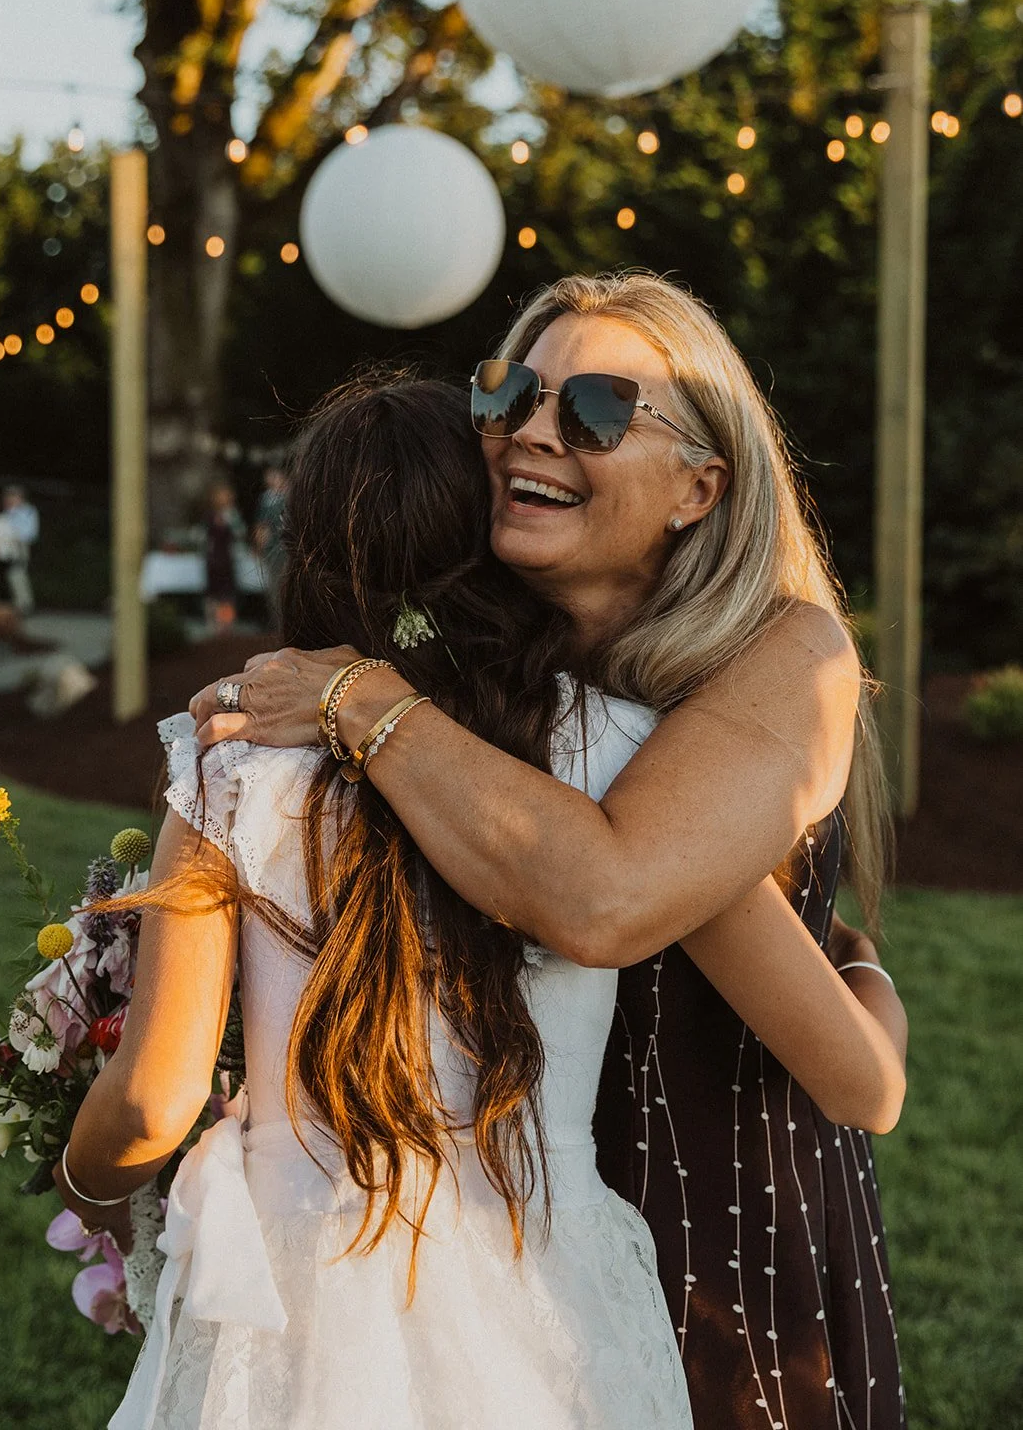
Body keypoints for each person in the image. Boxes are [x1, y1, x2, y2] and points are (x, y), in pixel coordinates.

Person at [59, 376, 902, 1430]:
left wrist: (87, 1184)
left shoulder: (232, 762)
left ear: (305, 549)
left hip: (297, 1294)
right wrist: (863, 973)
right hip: (548, 1286)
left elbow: (150, 1100)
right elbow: (845, 1058)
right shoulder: (618, 752)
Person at [203, 482, 245, 633]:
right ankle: (213, 625)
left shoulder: (232, 515)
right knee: (213, 593)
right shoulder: (211, 515)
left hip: (226, 558)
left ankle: (226, 625)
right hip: (214, 559)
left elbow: (240, 533)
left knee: (226, 594)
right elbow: (206, 536)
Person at [252, 465, 287, 612]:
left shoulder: (286, 497)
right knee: (276, 586)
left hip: (286, 548)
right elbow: (262, 527)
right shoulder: (268, 500)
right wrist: (259, 547)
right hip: (276, 549)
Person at [2, 484, 40, 615]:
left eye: (12, 496)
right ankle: (20, 604)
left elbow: (31, 533)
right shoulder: (9, 511)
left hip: (21, 546)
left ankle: (24, 605)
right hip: (8, 546)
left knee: (18, 574)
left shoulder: (28, 511)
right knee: (13, 575)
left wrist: (16, 535)